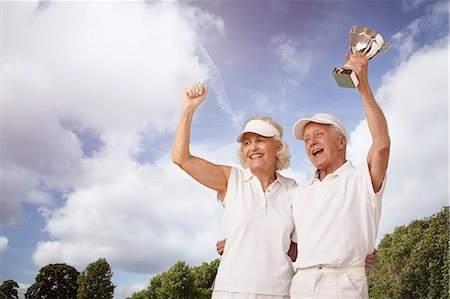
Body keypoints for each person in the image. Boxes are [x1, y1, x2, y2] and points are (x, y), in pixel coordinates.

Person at [172, 82, 297, 298]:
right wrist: (188, 109)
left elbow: (297, 247)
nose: (252, 147)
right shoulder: (231, 179)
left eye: (260, 140)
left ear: (278, 147)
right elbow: (181, 158)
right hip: (230, 290)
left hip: (279, 292)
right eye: (247, 143)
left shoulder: (292, 189)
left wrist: (357, 253)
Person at [290, 53, 390, 299]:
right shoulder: (298, 192)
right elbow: (289, 246)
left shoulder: (361, 179)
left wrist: (362, 86)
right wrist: (238, 242)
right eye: (306, 139)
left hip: (344, 284)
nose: (311, 142)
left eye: (318, 135)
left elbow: (381, 145)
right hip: (302, 284)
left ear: (341, 141)